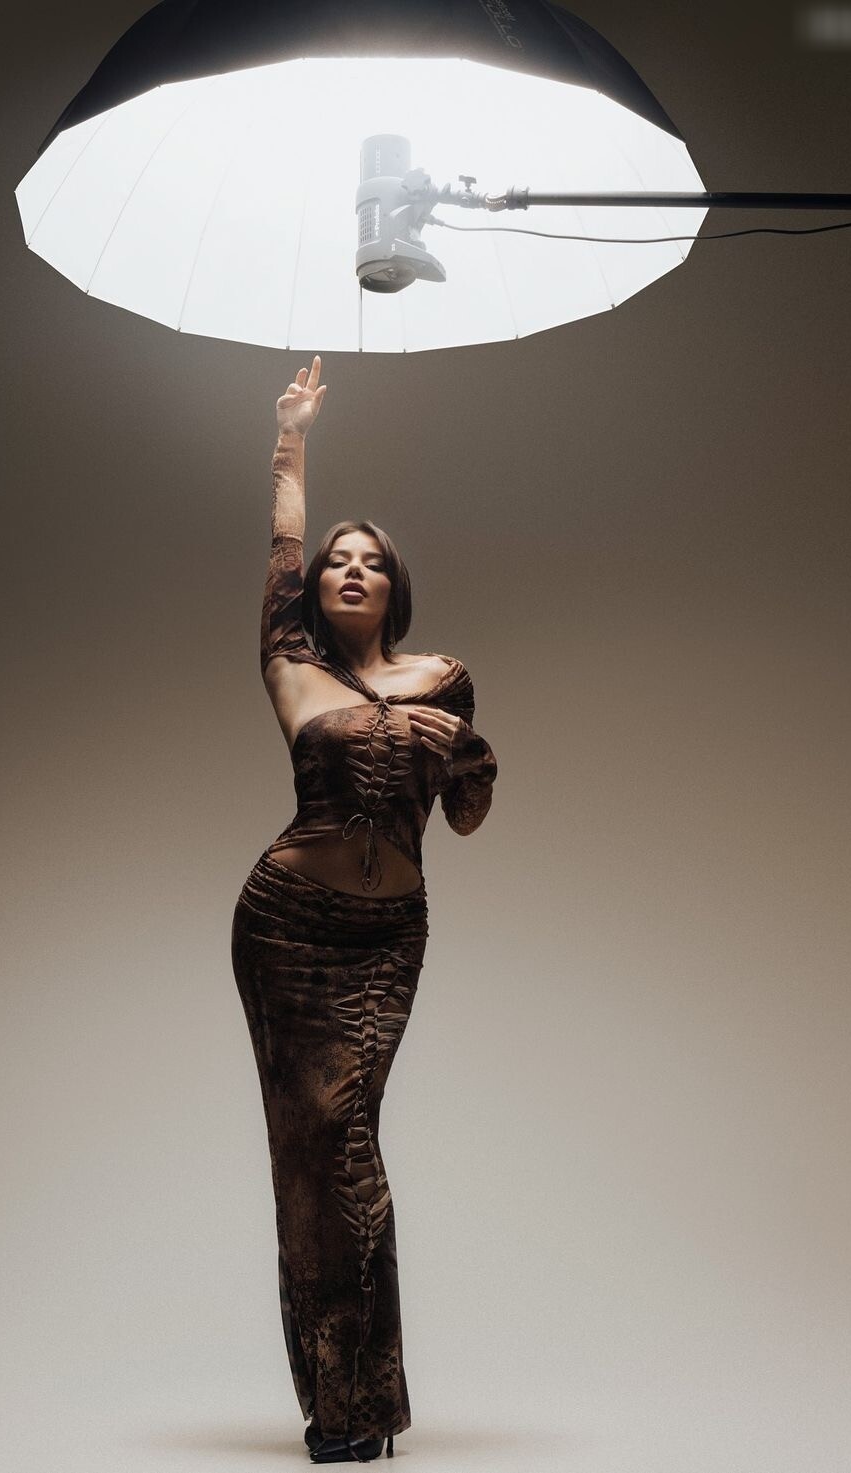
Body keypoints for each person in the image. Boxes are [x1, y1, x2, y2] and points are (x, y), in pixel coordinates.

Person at [231, 355, 499, 1464]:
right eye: (336, 561)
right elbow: (281, 546)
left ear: (395, 588)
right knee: (314, 1154)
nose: (349, 570)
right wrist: (290, 437)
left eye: (370, 561)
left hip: (389, 939)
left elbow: (467, 812)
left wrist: (463, 749)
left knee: (350, 1144)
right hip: (288, 930)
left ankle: (363, 1401)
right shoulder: (291, 669)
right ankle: (343, 1409)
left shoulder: (442, 679)